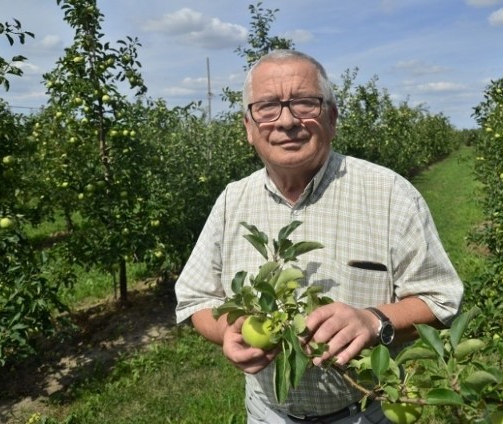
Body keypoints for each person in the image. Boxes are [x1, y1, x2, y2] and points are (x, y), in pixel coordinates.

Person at [175, 49, 464, 424]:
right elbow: (196, 298)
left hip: (366, 412)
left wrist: (373, 321)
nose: (286, 121)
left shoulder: (390, 194)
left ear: (332, 117)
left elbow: (442, 300)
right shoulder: (233, 201)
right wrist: (228, 332)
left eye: (305, 103)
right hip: (267, 414)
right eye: (267, 107)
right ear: (248, 127)